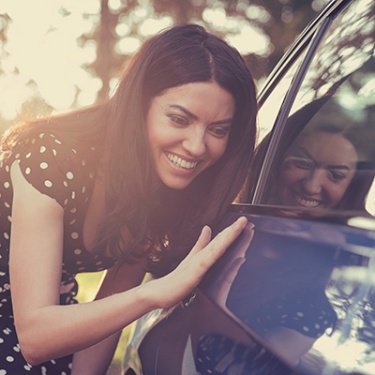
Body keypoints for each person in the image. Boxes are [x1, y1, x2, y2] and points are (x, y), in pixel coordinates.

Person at [0, 24, 257, 374]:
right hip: (32, 325)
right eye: (179, 119)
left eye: (218, 130)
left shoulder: (162, 190)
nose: (197, 146)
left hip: (51, 324)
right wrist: (156, 293)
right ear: (139, 106)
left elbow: (108, 311)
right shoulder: (52, 158)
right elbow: (34, 336)